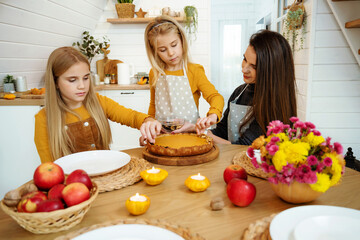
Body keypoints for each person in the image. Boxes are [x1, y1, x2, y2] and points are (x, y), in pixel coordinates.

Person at [35, 47, 161, 163]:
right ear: (55, 82)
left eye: (85, 78)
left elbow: (131, 116)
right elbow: (49, 168)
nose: (81, 86)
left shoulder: (99, 102)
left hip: (107, 176)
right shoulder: (43, 119)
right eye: (72, 80)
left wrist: (148, 121)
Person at [209, 30, 297, 145]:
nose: (244, 69)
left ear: (271, 71)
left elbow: (246, 146)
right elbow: (222, 131)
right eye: (245, 59)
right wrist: (198, 130)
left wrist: (206, 136)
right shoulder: (239, 92)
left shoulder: (274, 105)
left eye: (254, 66)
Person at [144, 15, 224, 138]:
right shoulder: (154, 73)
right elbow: (153, 106)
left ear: (182, 41)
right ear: (155, 51)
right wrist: (149, 124)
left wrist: (213, 114)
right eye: (162, 50)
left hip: (191, 136)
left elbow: (215, 97)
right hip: (163, 138)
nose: (171, 53)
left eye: (174, 45)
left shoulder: (194, 71)